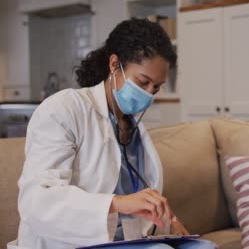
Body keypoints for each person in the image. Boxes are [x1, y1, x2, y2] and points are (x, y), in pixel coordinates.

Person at [9, 18, 217, 249]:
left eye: (156, 87)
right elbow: (36, 202)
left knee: (205, 247)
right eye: (143, 81)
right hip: (69, 242)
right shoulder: (64, 108)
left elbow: (136, 197)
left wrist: (169, 221)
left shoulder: (131, 126)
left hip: (122, 240)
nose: (149, 95)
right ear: (114, 64)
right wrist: (117, 203)